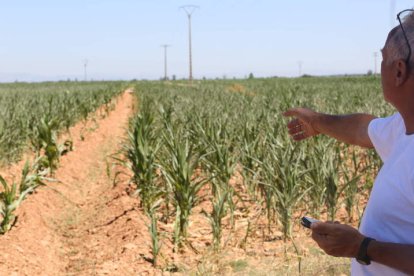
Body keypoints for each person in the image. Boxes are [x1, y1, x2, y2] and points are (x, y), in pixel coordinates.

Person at [283, 9, 414, 275]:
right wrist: (316, 121)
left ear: (399, 71)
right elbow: (362, 129)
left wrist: (362, 247)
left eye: (384, 58)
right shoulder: (403, 127)